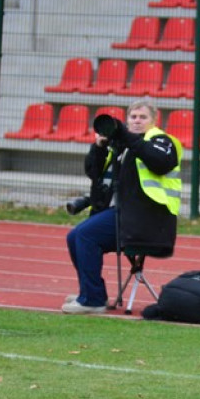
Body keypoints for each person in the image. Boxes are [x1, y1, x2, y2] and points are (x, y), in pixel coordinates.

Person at [63, 100, 183, 314]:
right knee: (75, 237)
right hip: (125, 216)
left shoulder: (162, 141)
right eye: (133, 117)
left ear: (154, 120)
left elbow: (161, 162)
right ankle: (91, 292)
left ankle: (92, 300)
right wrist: (99, 147)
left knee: (85, 235)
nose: (137, 121)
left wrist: (128, 138)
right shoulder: (121, 147)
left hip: (148, 220)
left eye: (142, 117)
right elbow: (94, 172)